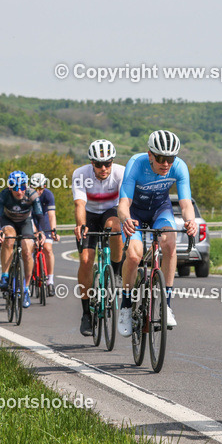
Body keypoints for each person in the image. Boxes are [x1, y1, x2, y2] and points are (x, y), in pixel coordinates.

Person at [117, 130, 198, 336]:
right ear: (150, 155)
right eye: (161, 158)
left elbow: (185, 202)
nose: (166, 164)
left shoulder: (179, 167)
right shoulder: (136, 163)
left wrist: (191, 221)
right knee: (134, 255)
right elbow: (123, 203)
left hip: (161, 209)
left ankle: (167, 305)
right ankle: (125, 307)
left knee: (170, 243)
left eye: (170, 158)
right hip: (134, 211)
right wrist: (126, 219)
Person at [71, 139, 124, 336]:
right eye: (98, 164)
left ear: (112, 162)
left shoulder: (121, 172)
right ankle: (86, 314)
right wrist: (81, 225)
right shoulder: (80, 174)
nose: (103, 168)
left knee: (115, 228)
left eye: (108, 163)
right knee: (85, 260)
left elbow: (126, 202)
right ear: (91, 163)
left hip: (111, 211)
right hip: (90, 214)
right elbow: (79, 204)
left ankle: (116, 273)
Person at [0, 170, 43, 308]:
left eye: (22, 186)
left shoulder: (32, 194)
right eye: (15, 187)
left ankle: (26, 289)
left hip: (25, 222)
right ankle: (5, 275)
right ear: (10, 187)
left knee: (27, 250)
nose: (19, 191)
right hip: (8, 221)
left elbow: (39, 216)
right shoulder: (3, 195)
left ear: (26, 186)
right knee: (9, 238)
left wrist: (41, 232)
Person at [29, 172, 59, 297]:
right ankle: (28, 275)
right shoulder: (27, 195)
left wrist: (53, 231)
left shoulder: (48, 195)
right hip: (30, 220)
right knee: (29, 247)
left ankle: (50, 281)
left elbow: (51, 215)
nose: (38, 191)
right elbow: (29, 217)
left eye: (41, 188)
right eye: (36, 189)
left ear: (44, 186)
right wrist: (35, 233)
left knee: (47, 248)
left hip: (44, 220)